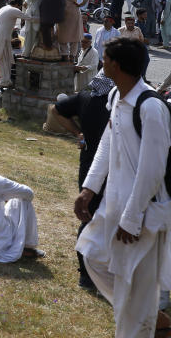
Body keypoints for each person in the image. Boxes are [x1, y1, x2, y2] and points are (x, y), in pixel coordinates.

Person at [75, 38, 171, 337]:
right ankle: (154, 319)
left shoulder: (151, 107)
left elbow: (152, 170)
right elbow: (107, 143)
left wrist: (132, 219)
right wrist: (89, 189)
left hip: (144, 212)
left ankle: (145, 322)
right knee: (91, 254)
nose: (101, 63)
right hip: (113, 205)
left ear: (116, 64)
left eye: (104, 58)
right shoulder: (116, 95)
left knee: (137, 285)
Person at [50, 73, 112, 290]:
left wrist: (79, 132)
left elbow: (55, 110)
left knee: (89, 217)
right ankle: (94, 274)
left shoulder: (85, 97)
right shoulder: (117, 102)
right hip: (111, 167)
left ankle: (87, 274)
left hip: (89, 166)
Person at [0, 0, 33, 88]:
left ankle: (5, 80)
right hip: (3, 36)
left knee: (5, 59)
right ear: (17, 5)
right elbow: (28, 18)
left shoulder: (3, 8)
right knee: (4, 59)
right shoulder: (14, 10)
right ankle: (4, 81)